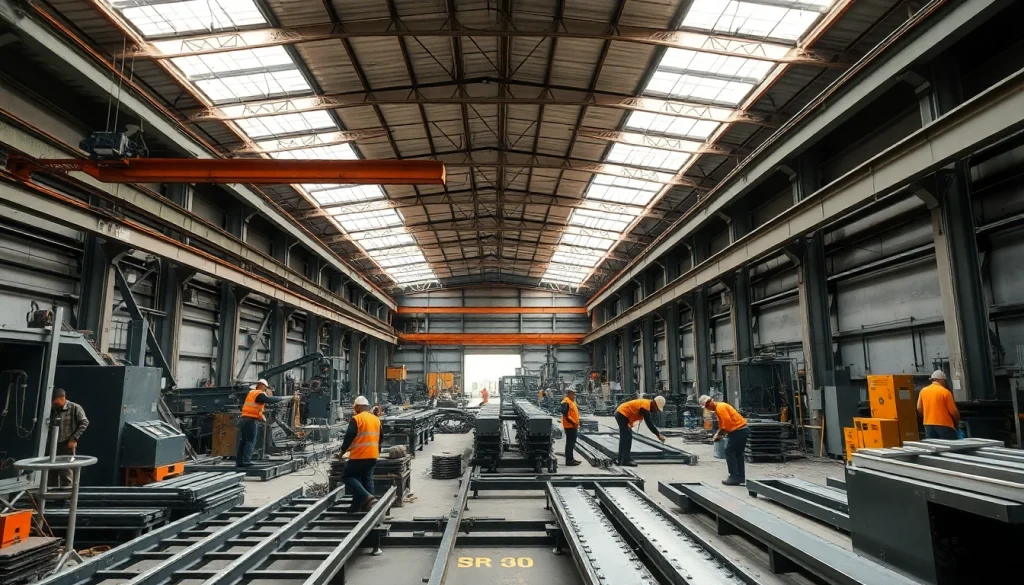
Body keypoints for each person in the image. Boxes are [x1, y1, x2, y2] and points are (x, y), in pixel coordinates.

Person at [339, 396, 381, 511]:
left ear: (357, 407)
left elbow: (349, 437)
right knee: (366, 479)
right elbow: (380, 438)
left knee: (347, 476)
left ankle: (367, 498)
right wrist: (377, 452)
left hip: (359, 456)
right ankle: (361, 507)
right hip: (373, 456)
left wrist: (342, 452)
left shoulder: (356, 419)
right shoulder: (376, 419)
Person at [698, 395, 749, 486]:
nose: (708, 409)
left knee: (729, 451)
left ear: (709, 403)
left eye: (707, 406)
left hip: (738, 431)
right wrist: (718, 434)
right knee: (738, 454)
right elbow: (723, 425)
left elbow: (727, 423)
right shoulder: (719, 408)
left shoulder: (720, 407)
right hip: (742, 430)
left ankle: (733, 476)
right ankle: (740, 477)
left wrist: (720, 435)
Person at [237, 379, 287, 468]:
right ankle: (246, 461)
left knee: (243, 442)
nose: (266, 390)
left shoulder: (251, 393)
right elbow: (267, 399)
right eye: (266, 388)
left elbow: (258, 404)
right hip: (250, 421)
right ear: (263, 386)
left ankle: (240, 461)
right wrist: (281, 398)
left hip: (244, 419)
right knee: (250, 441)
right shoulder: (259, 393)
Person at [49, 388, 89, 488]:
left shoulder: (74, 407)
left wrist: (74, 439)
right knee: (51, 470)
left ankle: (65, 495)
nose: (54, 402)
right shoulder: (53, 409)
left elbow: (84, 422)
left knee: (65, 469)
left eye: (56, 400)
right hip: (52, 443)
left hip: (66, 442)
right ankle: (51, 492)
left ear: (62, 398)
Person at [614, 396, 666, 466]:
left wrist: (630, 424)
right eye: (657, 408)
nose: (656, 410)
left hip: (623, 415)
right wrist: (658, 435)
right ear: (655, 404)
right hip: (622, 414)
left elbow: (635, 415)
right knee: (625, 437)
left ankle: (624, 458)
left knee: (628, 437)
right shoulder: (645, 406)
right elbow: (649, 423)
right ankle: (623, 460)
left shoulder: (646, 405)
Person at [918, 370, 960, 440]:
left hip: (928, 424)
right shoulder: (945, 392)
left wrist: (927, 416)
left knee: (933, 446)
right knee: (950, 447)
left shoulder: (923, 391)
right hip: (945, 425)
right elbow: (953, 411)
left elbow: (919, 408)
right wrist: (957, 421)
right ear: (942, 381)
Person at [560, 389, 581, 466]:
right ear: (569, 394)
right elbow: (566, 415)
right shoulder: (566, 401)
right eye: (573, 394)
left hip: (572, 425)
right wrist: (573, 423)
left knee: (571, 443)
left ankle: (571, 459)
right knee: (570, 443)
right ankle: (569, 460)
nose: (574, 396)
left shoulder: (571, 401)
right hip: (570, 426)